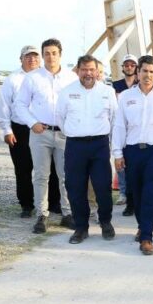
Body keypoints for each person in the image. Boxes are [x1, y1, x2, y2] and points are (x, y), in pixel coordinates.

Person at [113, 55, 153, 254]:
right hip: (132, 151)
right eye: (144, 71)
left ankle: (147, 237)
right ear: (138, 72)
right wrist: (117, 153)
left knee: (150, 190)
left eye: (151, 72)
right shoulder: (125, 97)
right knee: (136, 191)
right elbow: (119, 126)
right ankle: (142, 226)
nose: (147, 75)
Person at [13, 38, 79, 234]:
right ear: (43, 56)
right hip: (40, 133)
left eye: (54, 53)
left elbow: (77, 104)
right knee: (41, 175)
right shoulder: (33, 78)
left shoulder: (71, 78)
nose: (51, 57)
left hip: (65, 134)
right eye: (47, 53)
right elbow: (20, 105)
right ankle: (42, 214)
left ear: (60, 54)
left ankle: (67, 213)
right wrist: (32, 123)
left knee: (65, 175)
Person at [56, 55, 119, 244]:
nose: (88, 73)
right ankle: (81, 227)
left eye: (92, 69)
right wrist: (76, 132)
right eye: (84, 69)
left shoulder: (107, 91)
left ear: (97, 71)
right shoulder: (67, 92)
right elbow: (60, 118)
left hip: (99, 145)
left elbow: (114, 119)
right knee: (75, 188)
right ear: (78, 71)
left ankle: (105, 222)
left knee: (103, 187)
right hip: (75, 145)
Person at [0, 44, 64, 217]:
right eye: (28, 56)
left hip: (45, 128)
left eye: (35, 56)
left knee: (51, 168)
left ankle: (53, 202)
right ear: (21, 59)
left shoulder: (47, 76)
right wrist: (6, 130)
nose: (32, 59)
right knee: (23, 168)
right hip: (21, 129)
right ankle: (26, 204)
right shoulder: (12, 79)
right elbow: (4, 106)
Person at [111, 54, 138, 211]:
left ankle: (134, 193)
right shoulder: (115, 85)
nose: (129, 67)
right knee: (120, 160)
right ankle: (122, 192)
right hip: (120, 126)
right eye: (126, 65)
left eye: (132, 65)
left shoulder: (139, 84)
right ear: (122, 67)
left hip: (135, 128)